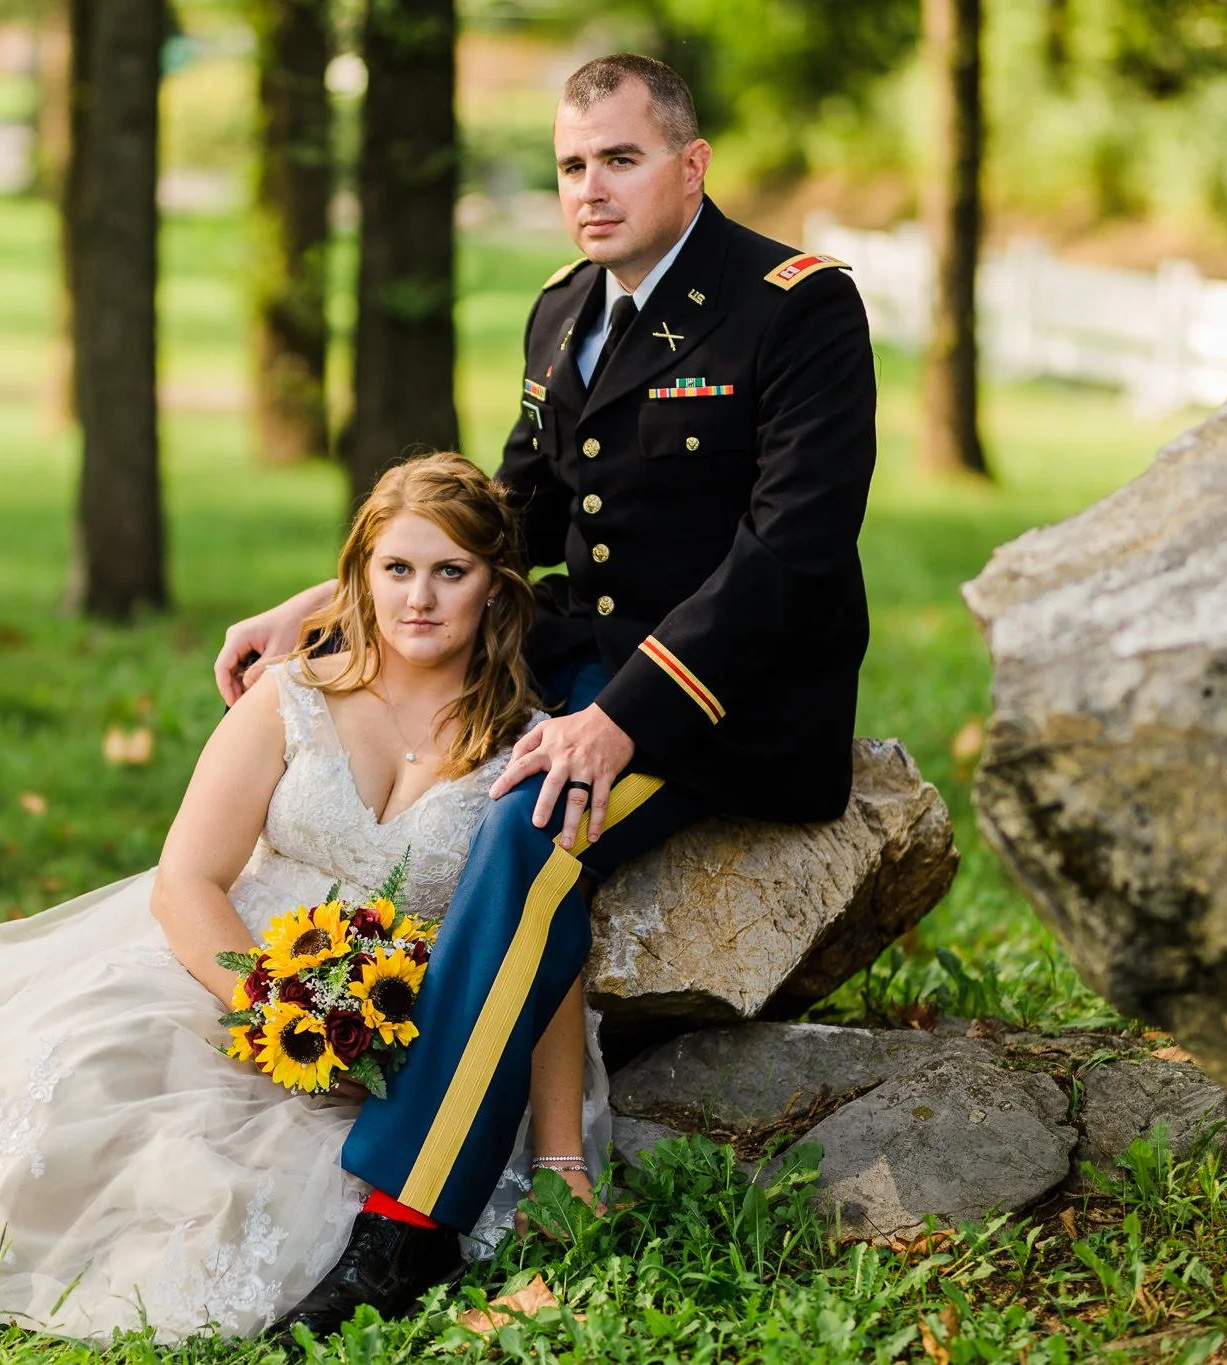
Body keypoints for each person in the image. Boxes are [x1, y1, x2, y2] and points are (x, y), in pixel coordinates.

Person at [221, 54, 878, 1334]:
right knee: (455, 804)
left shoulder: (793, 307)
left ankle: (405, 1223)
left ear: (689, 164)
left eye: (619, 159)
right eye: (572, 164)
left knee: (524, 839)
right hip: (569, 667)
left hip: (720, 702)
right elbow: (509, 512)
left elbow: (789, 550)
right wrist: (319, 605)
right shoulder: (562, 308)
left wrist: (620, 715)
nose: (589, 188)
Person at [0, 453, 615, 1343]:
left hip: (411, 1026)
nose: (419, 597)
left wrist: (561, 1153)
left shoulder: (532, 747)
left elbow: (538, 953)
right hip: (230, 965)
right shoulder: (292, 696)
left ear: (495, 583)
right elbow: (186, 881)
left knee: (245, 1198)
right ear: (357, 576)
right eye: (397, 567)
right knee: (82, 1082)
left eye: (450, 571)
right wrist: (274, 1010)